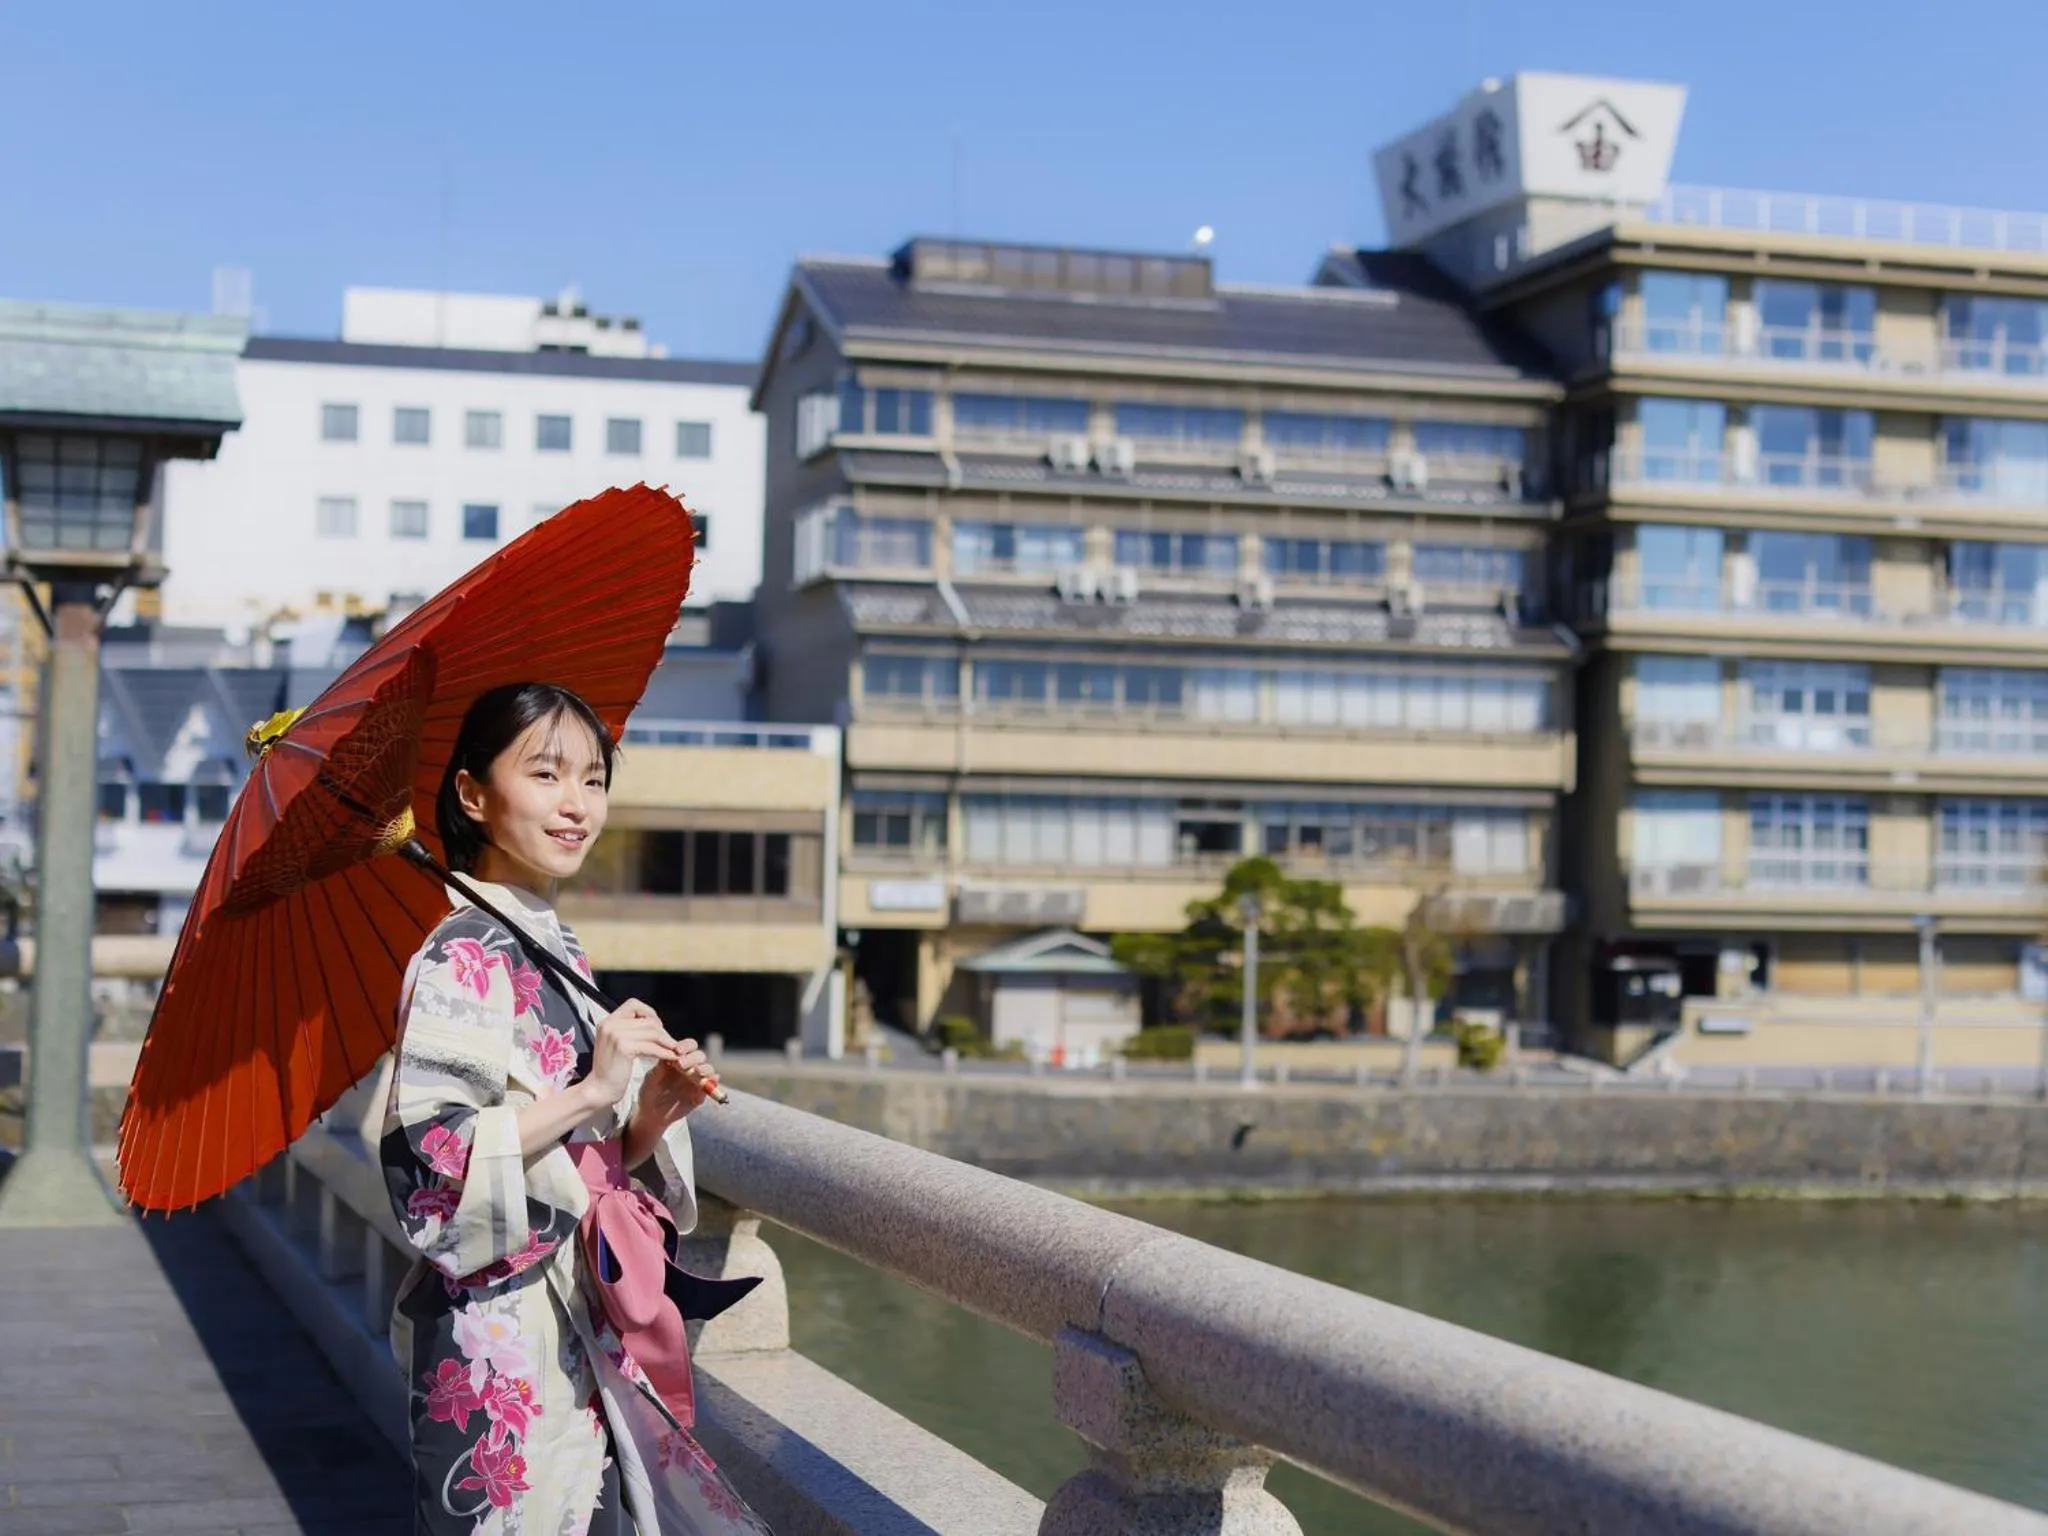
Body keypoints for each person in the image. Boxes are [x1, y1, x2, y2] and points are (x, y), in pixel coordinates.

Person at [379, 681, 771, 1534]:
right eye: (547, 774)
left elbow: (565, 1156)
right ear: (473, 794)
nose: (577, 806)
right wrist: (595, 1090)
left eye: (593, 780)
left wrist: (644, 1121)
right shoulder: (459, 955)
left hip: (569, 1327)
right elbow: (431, 1157)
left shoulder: (546, 941)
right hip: (502, 1343)